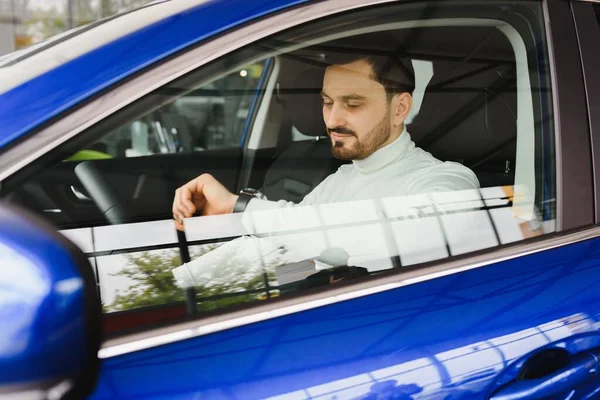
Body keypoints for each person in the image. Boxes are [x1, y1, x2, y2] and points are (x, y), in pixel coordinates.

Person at [172, 52, 479, 231]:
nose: (332, 121)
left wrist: (239, 207)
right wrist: (184, 280)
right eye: (327, 102)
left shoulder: (446, 182)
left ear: (399, 108)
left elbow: (367, 234)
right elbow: (290, 243)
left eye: (353, 104)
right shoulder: (336, 182)